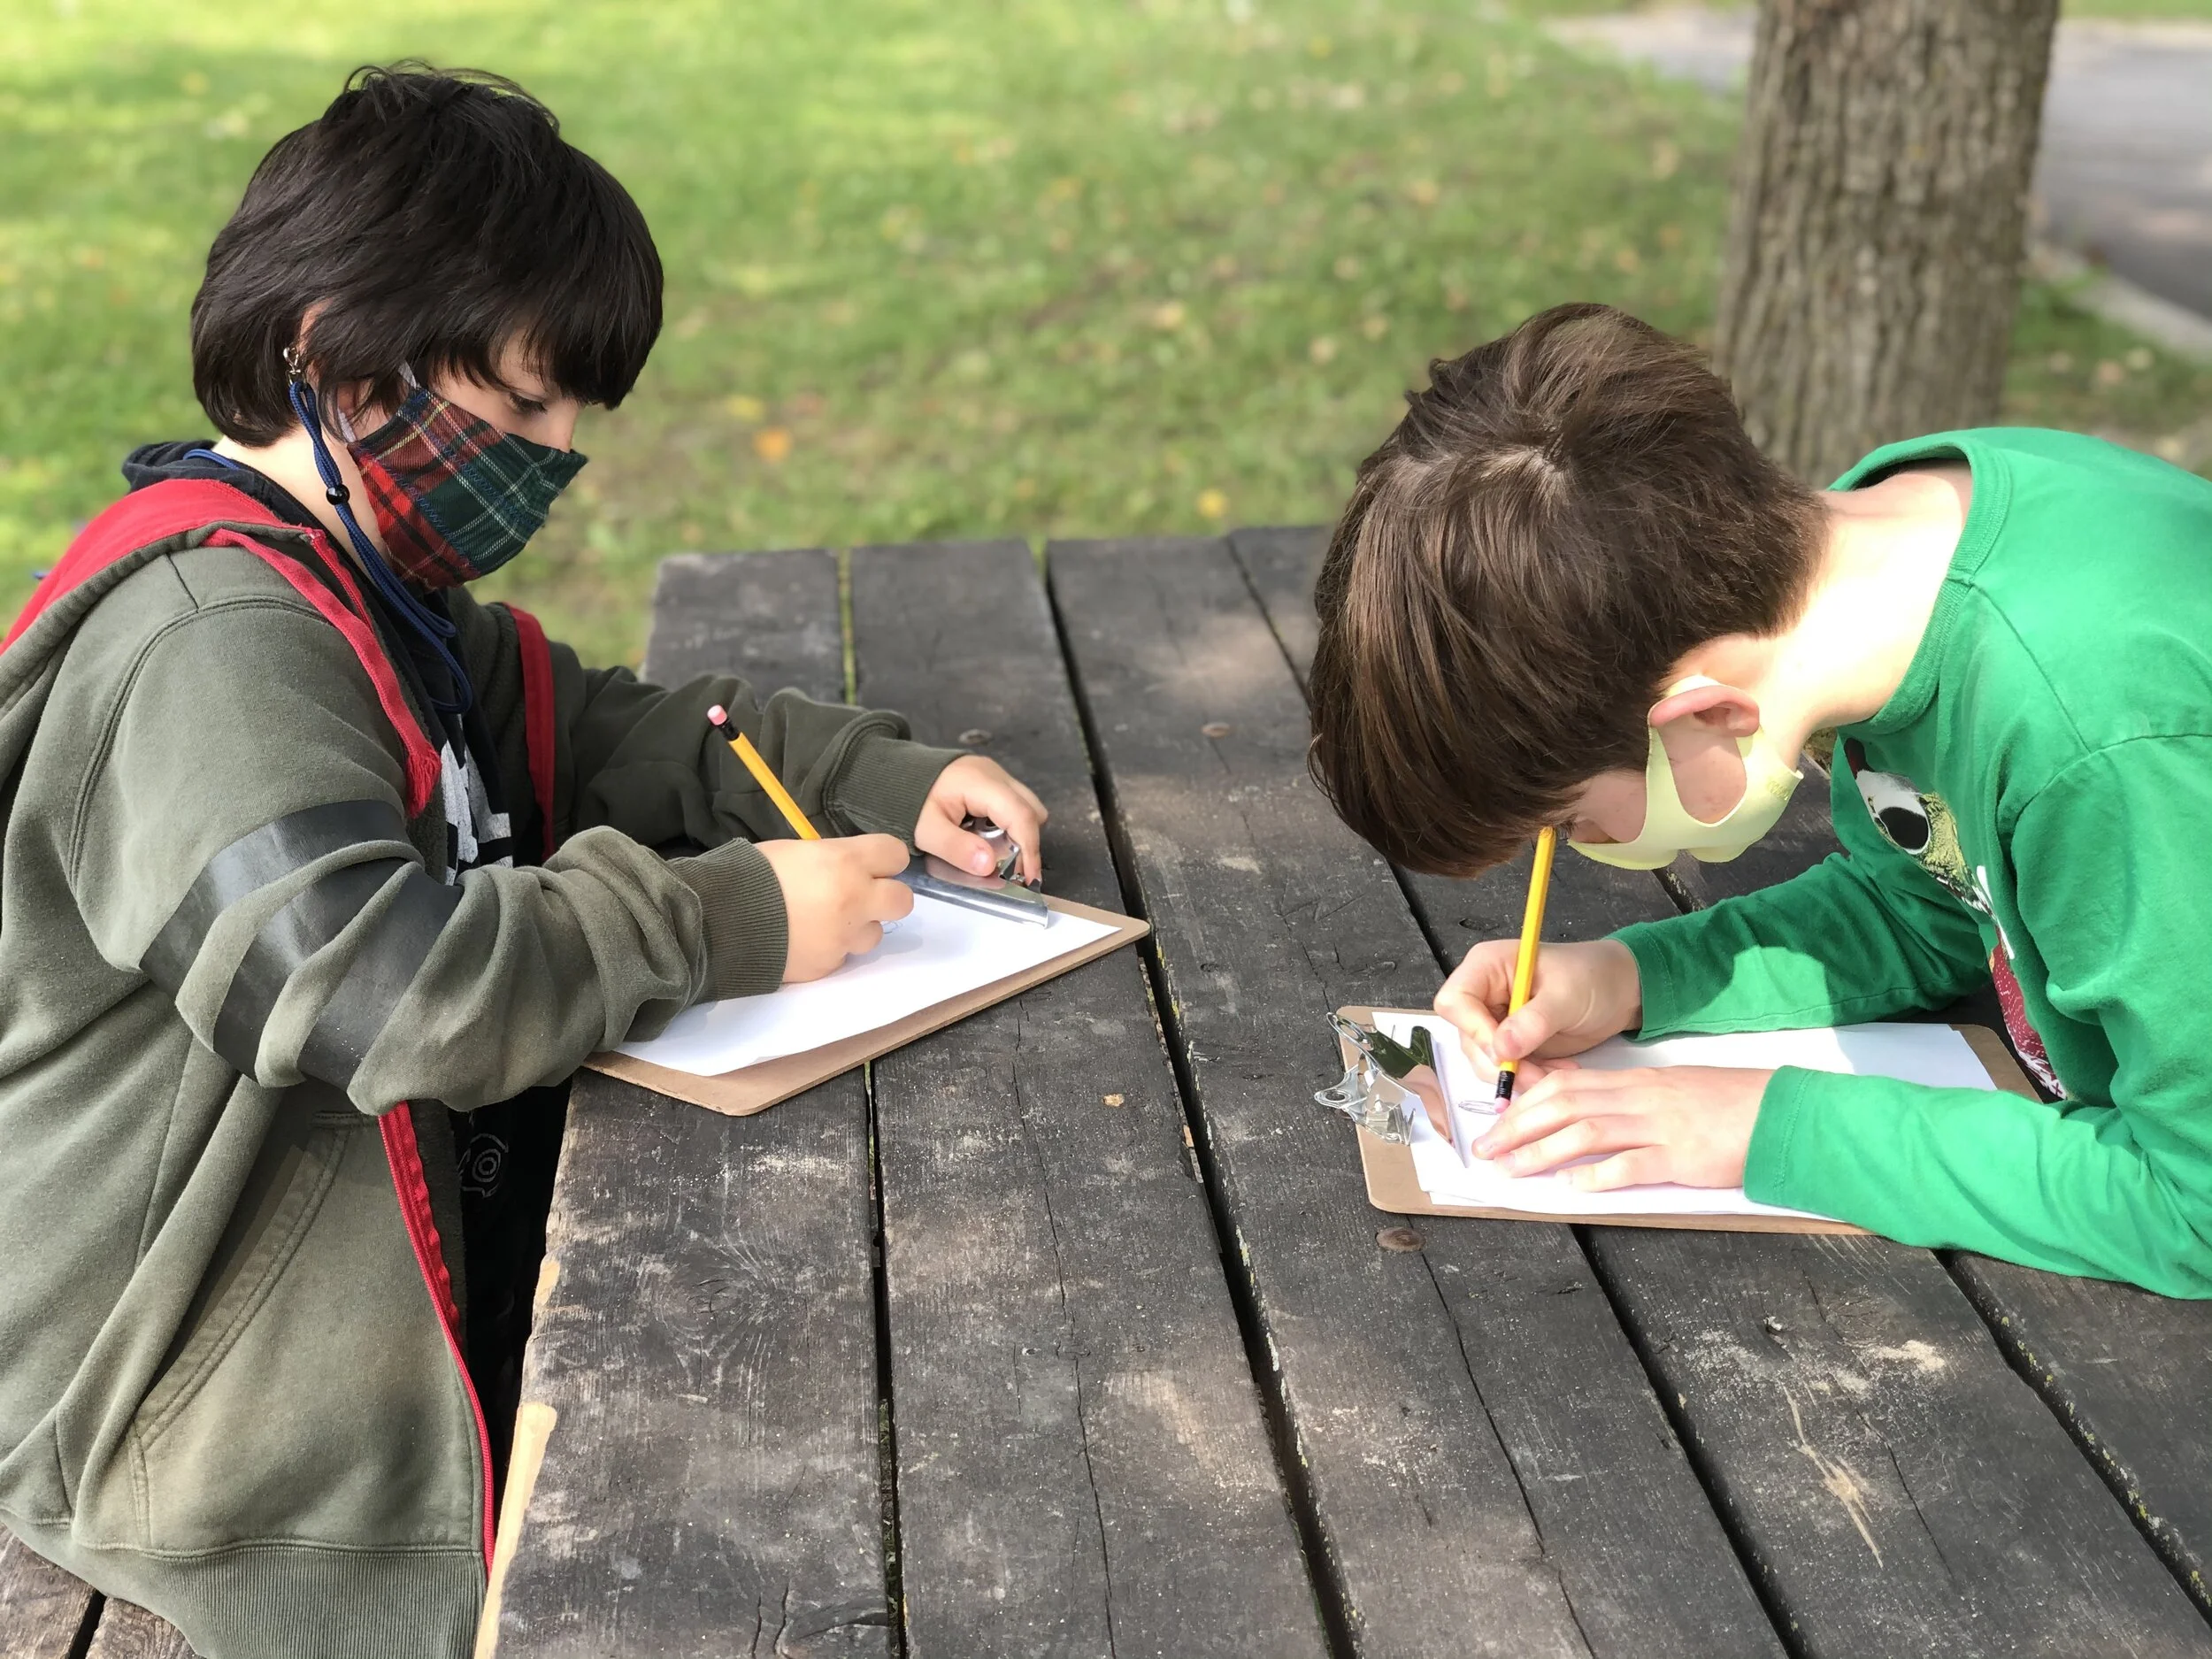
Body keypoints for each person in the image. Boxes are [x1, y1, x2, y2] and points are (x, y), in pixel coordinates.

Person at [0, 65, 1047, 1659]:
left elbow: (594, 727)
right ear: (342, 358)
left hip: (350, 1302)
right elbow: (380, 989)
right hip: (195, 1428)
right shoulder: (212, 648)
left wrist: (863, 774)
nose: (557, 455)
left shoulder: (365, 593)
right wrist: (720, 918)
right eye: (531, 404)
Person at [1307, 301, 2212, 1298]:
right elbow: (1939, 902)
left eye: (1569, 821)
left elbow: (2194, 1203)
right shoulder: (1883, 561)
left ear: (1705, 714)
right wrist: (1634, 977)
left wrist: (1764, 1126)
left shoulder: (2098, 740)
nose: (1582, 845)